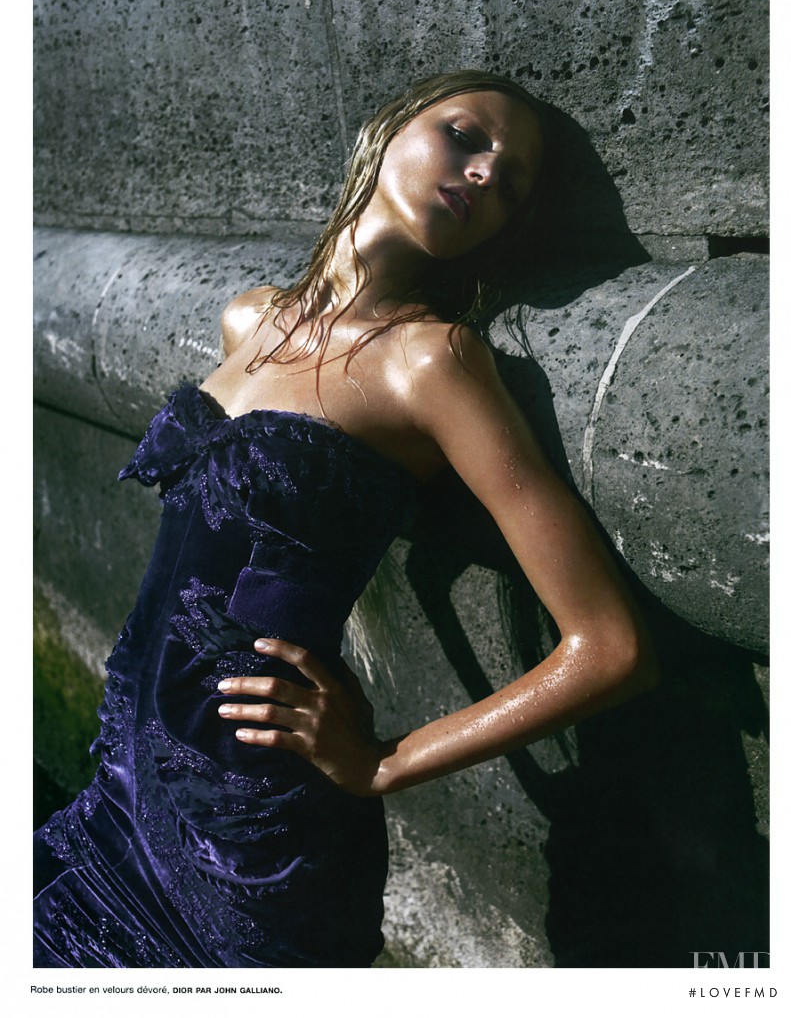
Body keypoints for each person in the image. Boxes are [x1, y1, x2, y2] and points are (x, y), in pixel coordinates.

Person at [33, 70, 659, 968]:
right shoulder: (250, 319)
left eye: (511, 183)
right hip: (121, 784)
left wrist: (382, 763)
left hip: (247, 837)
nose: (485, 174)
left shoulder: (430, 363)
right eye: (465, 137)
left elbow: (610, 646)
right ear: (388, 128)